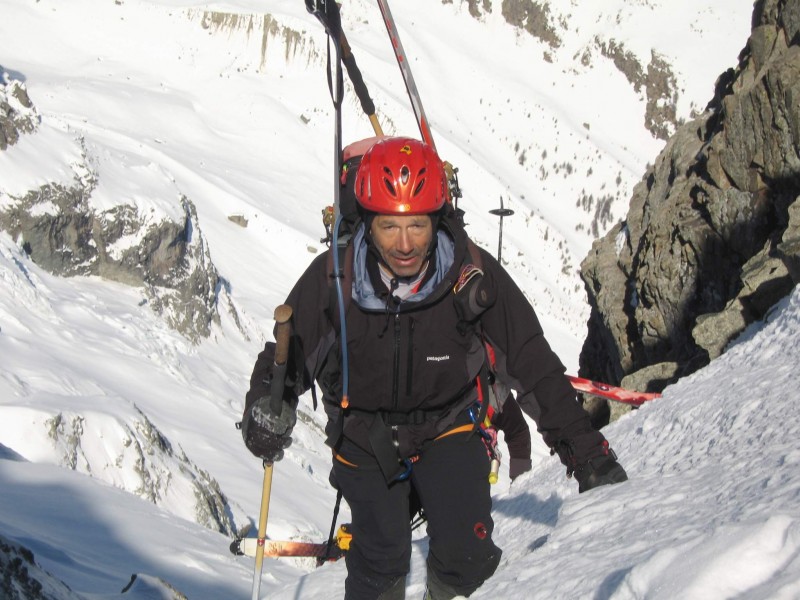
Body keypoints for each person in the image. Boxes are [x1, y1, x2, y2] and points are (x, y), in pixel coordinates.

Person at [241, 137, 627, 600]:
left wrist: (586, 453)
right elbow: (285, 356)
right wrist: (266, 405)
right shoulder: (334, 281)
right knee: (379, 559)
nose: (404, 245)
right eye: (388, 227)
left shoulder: (471, 277)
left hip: (449, 426)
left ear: (436, 219)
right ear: (367, 220)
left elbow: (531, 362)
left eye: (418, 226)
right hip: (364, 438)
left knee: (468, 555)